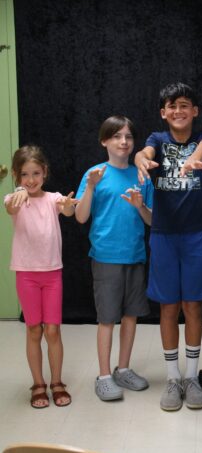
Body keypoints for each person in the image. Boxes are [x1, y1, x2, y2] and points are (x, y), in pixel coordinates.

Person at [134, 82, 202, 411]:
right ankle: (172, 378)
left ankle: (192, 377)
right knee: (169, 307)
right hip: (164, 235)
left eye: (184, 105)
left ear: (194, 111)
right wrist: (142, 161)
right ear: (163, 113)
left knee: (193, 305)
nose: (178, 111)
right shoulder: (157, 139)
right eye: (172, 106)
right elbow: (145, 153)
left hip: (197, 234)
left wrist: (192, 161)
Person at [75, 116, 153, 401]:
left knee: (130, 316)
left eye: (129, 137)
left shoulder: (141, 175)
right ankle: (105, 375)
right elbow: (81, 217)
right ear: (104, 141)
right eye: (117, 136)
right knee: (107, 318)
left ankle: (123, 369)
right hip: (106, 257)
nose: (124, 142)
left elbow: (151, 221)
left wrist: (141, 205)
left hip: (134, 255)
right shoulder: (94, 174)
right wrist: (92, 188)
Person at [4, 145, 78, 408]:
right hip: (26, 275)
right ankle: (38, 383)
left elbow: (68, 211)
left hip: (52, 275)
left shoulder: (53, 198)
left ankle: (57, 382)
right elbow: (11, 208)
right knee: (34, 330)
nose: (31, 180)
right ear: (16, 176)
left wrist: (68, 205)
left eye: (36, 173)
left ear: (44, 172)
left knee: (53, 330)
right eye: (25, 175)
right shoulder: (14, 199)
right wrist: (19, 195)